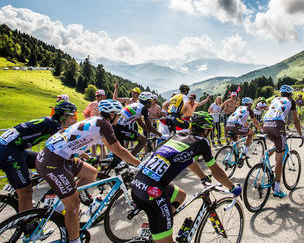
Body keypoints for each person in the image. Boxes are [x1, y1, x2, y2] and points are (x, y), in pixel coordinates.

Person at [36, 99, 140, 243]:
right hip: (55, 161)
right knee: (74, 206)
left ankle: (60, 205)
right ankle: (74, 240)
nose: (119, 118)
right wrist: (139, 164)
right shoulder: (104, 125)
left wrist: (82, 153)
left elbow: (73, 136)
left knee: (91, 173)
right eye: (117, 115)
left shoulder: (95, 120)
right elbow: (118, 150)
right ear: (111, 115)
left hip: (56, 156)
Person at [131, 111, 242, 243]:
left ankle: (158, 224)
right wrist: (232, 187)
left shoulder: (179, 135)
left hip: (138, 183)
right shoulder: (202, 143)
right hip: (152, 193)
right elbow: (216, 171)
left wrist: (202, 176)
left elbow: (188, 159)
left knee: (180, 196)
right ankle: (160, 227)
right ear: (206, 129)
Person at [0, 100, 77, 213]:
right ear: (65, 115)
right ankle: (27, 226)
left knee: (41, 161)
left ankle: (23, 186)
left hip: (14, 149)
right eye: (72, 116)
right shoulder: (54, 125)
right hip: (10, 152)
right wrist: (84, 157)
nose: (73, 119)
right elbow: (63, 146)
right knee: (26, 192)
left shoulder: (50, 121)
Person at [263, 85, 303, 198]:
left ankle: (264, 156)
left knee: (276, 142)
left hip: (265, 124)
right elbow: (296, 120)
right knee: (279, 159)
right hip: (277, 125)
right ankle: (276, 189)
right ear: (290, 94)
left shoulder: (275, 99)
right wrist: (301, 135)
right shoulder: (291, 101)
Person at [112, 92, 162, 166]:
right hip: (119, 128)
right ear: (147, 101)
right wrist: (160, 135)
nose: (151, 103)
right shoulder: (144, 109)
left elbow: (141, 123)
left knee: (120, 153)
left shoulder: (136, 105)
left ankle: (119, 164)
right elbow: (149, 126)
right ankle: (129, 161)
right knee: (143, 140)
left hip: (116, 127)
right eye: (150, 101)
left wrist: (149, 131)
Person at [83, 89, 107, 157]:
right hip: (92, 127)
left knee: (102, 147)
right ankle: (94, 164)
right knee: (93, 147)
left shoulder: (106, 105)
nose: (98, 97)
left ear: (104, 96)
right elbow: (85, 113)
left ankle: (103, 163)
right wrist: (88, 121)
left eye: (99, 96)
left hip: (102, 128)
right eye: (97, 96)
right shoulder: (92, 104)